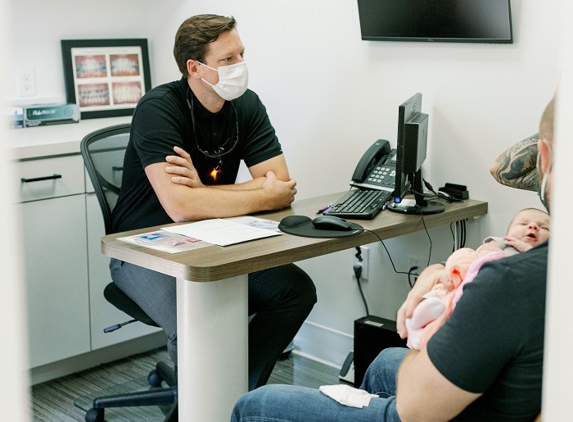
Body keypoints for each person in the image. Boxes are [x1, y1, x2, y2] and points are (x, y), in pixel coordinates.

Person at [231, 95, 555, 421]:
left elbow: (413, 406)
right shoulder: (545, 267)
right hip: (514, 390)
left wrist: (429, 306)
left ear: (544, 156)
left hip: (432, 409)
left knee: (254, 406)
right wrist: (439, 271)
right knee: (386, 360)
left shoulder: (509, 281)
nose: (531, 228)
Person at [110, 14, 317, 391]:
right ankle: (200, 409)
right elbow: (180, 208)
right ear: (195, 67)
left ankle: (238, 396)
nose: (240, 66)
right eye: (227, 60)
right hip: (144, 247)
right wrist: (251, 192)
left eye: (241, 54)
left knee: (294, 290)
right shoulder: (159, 108)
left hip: (214, 236)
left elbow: (280, 190)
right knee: (195, 317)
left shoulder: (247, 106)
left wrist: (202, 192)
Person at [406, 207, 550, 350]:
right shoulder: (504, 243)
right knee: (443, 290)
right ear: (508, 232)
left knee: (453, 308)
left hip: (485, 297)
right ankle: (419, 324)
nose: (533, 227)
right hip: (472, 274)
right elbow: (485, 252)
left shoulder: (546, 262)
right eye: (523, 224)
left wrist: (530, 251)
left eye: (544, 228)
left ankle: (426, 335)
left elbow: (542, 263)